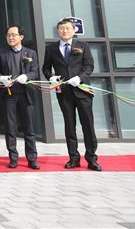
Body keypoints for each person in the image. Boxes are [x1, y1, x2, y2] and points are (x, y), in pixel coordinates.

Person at [42, 18, 101, 171]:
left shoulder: (83, 46)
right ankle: (73, 158)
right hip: (64, 93)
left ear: (74, 30)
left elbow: (89, 66)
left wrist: (79, 78)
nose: (65, 31)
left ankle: (91, 158)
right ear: (58, 31)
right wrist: (50, 77)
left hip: (82, 92)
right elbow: (46, 68)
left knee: (88, 125)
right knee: (69, 126)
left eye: (68, 28)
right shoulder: (51, 49)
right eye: (61, 28)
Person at [0, 25, 40, 170]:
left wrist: (27, 76)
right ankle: (13, 158)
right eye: (8, 35)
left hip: (26, 94)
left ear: (21, 37)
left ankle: (32, 158)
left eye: (14, 35)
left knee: (29, 128)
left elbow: (35, 72)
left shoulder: (30, 53)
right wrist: (1, 78)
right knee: (10, 128)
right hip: (9, 95)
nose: (11, 37)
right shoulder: (1, 53)